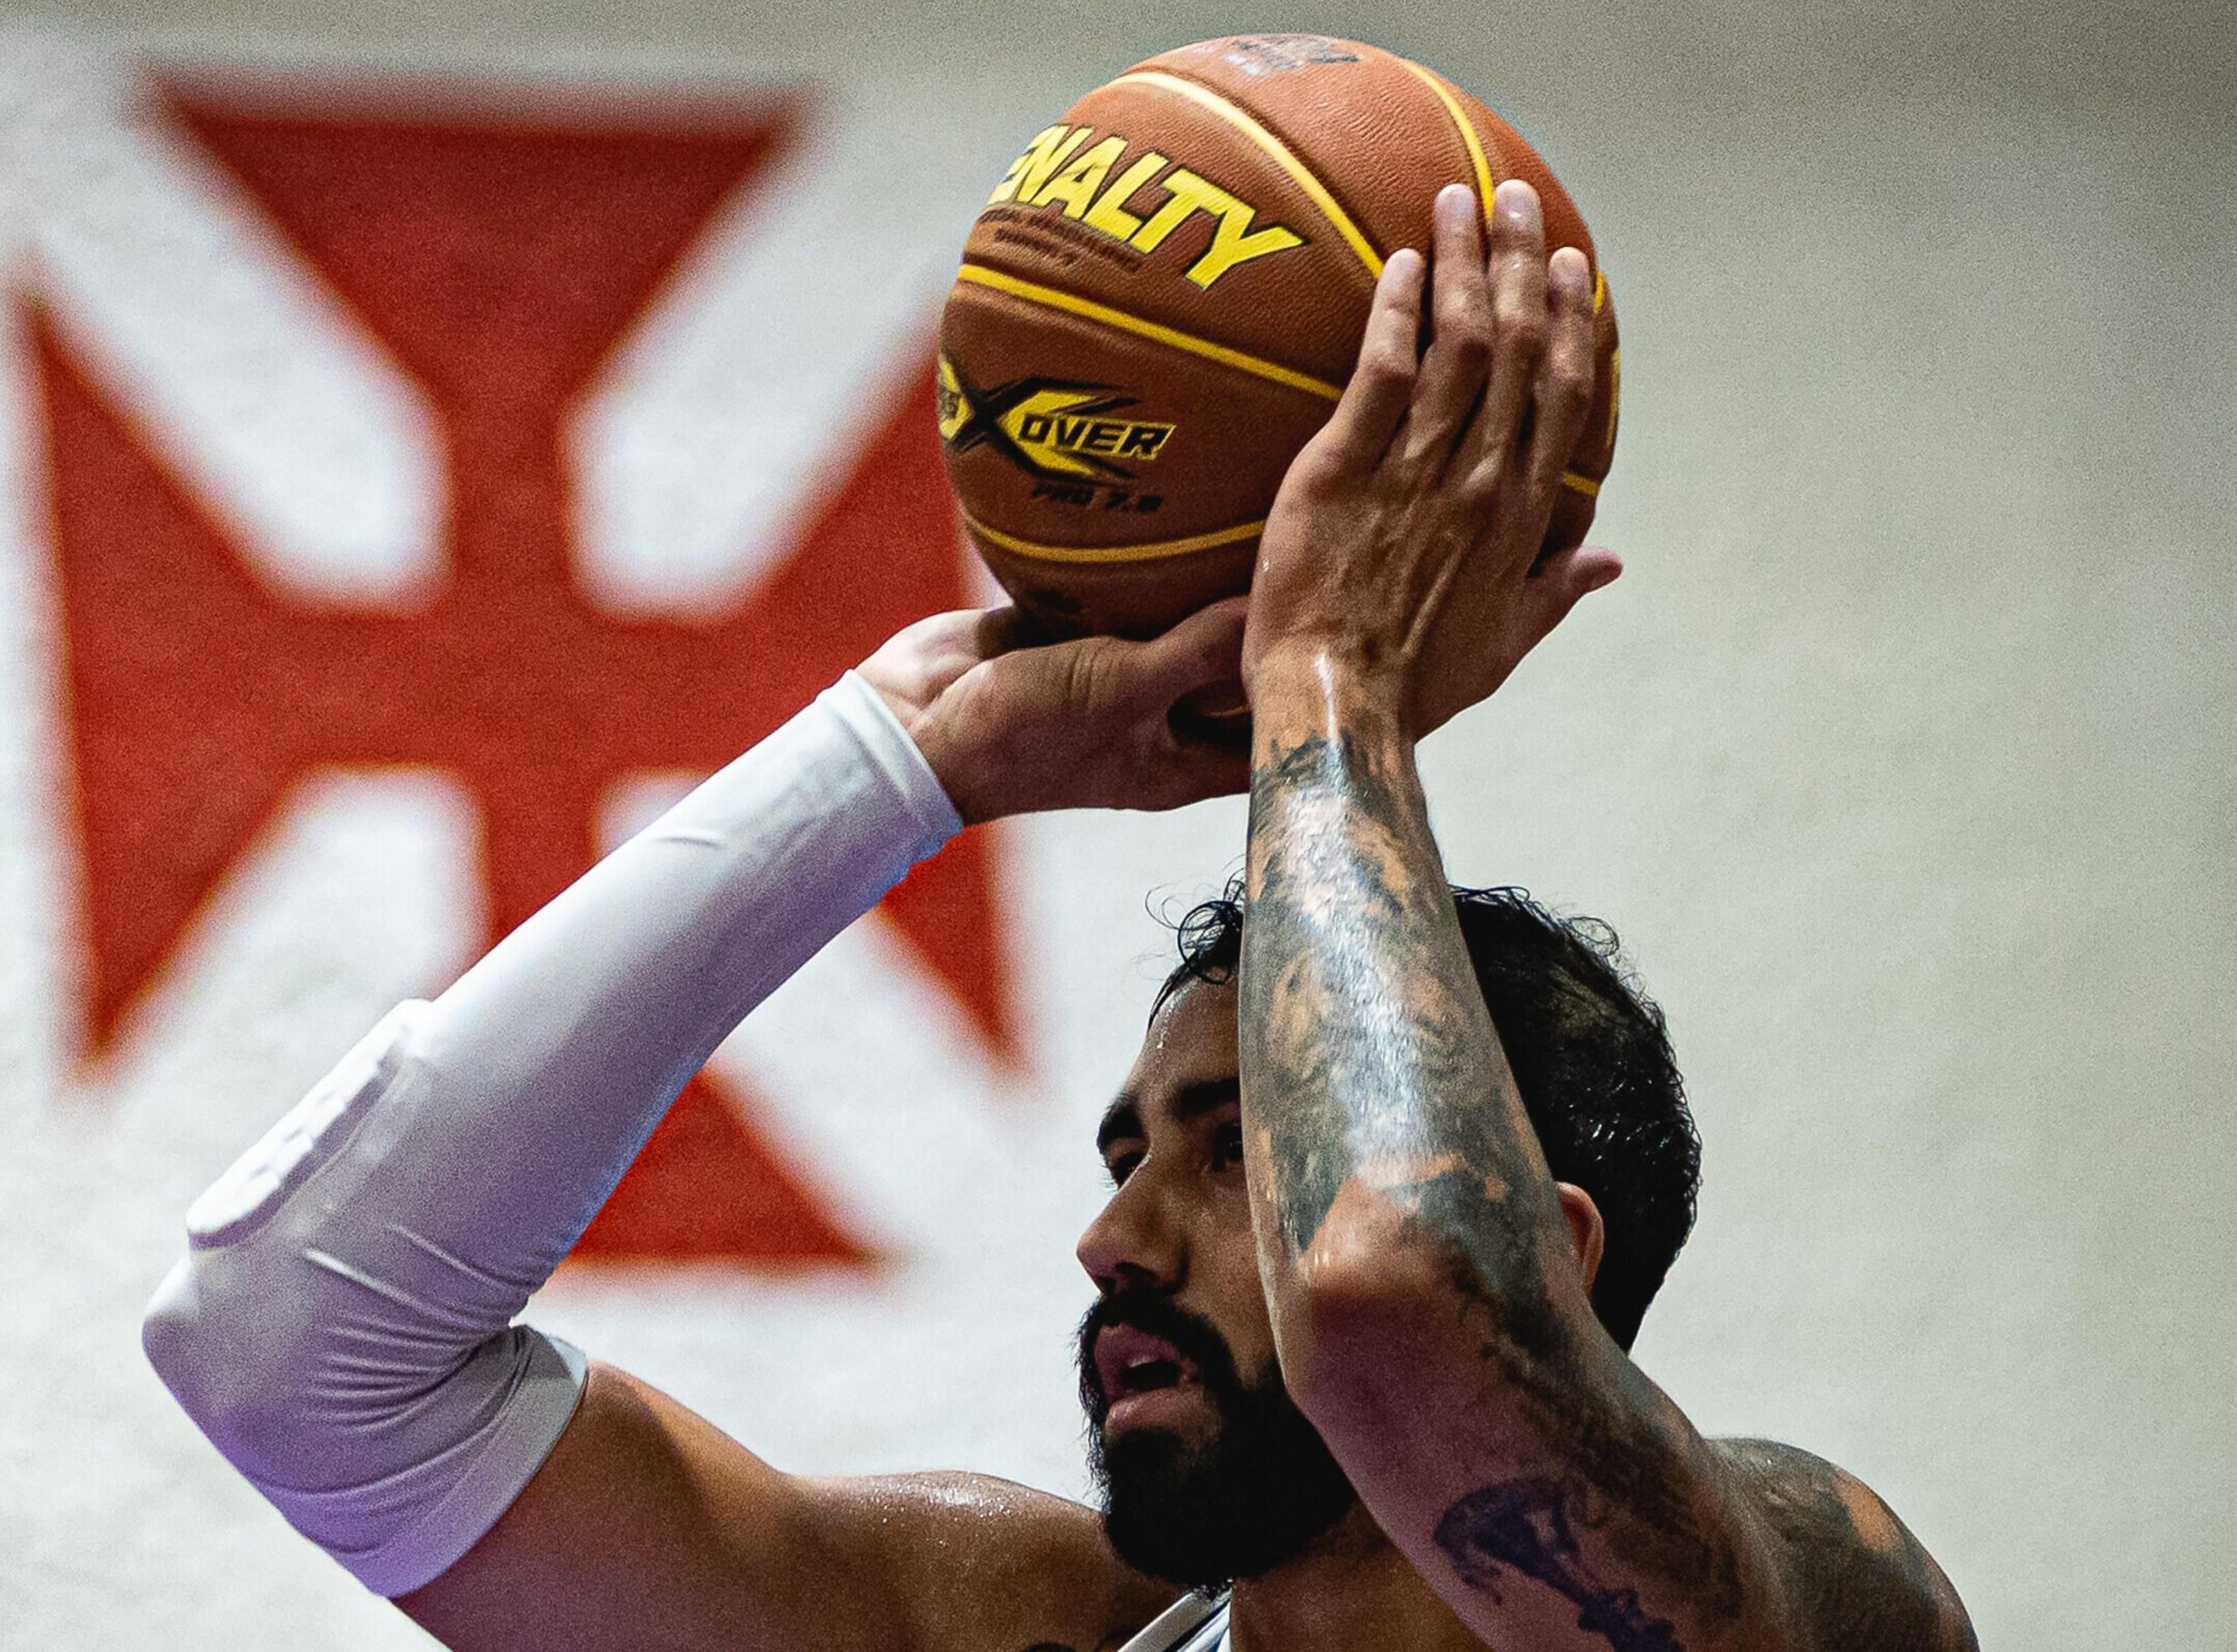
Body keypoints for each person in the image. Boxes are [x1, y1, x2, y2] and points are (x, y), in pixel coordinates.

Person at [143, 181, 1975, 1652]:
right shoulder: (999, 1623)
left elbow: (1398, 1296)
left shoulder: (1804, 1588)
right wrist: (905, 757)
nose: (1112, 1236)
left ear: (1555, 1253)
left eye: (1230, 1151)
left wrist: (1327, 683)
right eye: (1125, 1155)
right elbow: (288, 1352)